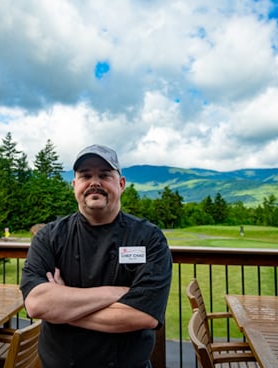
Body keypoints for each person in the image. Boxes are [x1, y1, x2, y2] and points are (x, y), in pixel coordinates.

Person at [20, 144, 172, 368]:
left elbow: (144, 315)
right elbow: (36, 304)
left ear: (121, 184)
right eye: (85, 176)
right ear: (75, 185)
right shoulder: (49, 237)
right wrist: (115, 293)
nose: (94, 182)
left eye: (104, 175)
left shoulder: (149, 238)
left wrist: (60, 308)